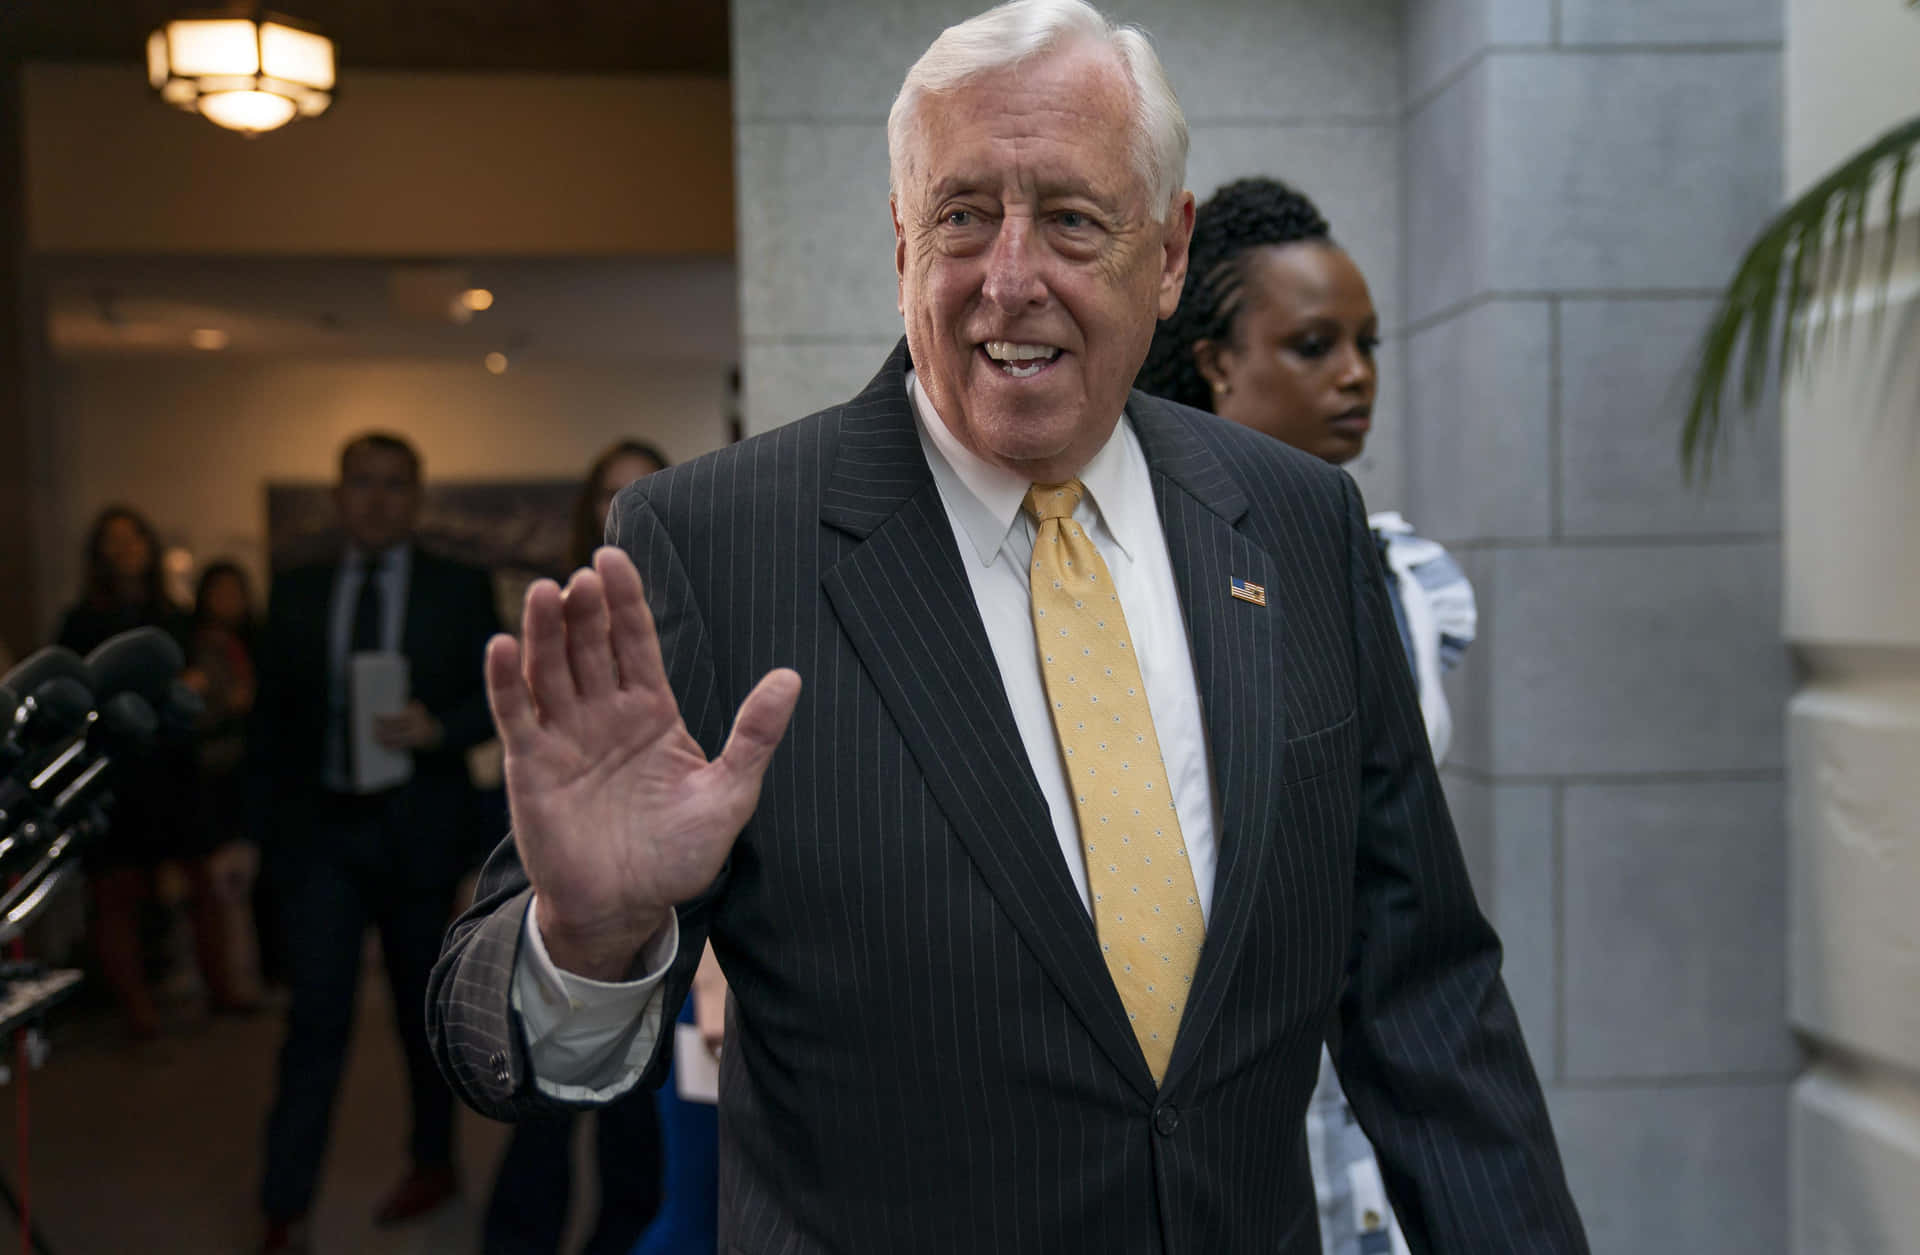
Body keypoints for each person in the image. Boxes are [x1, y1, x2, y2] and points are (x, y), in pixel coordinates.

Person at [431, 3, 1588, 1252]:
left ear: (1169, 252)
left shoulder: (1300, 524)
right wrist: (590, 938)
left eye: (1074, 219)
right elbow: (494, 1035)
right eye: (963, 215)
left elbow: (1425, 1001)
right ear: (901, 241)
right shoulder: (715, 545)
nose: (1011, 277)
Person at [1138, 176, 1477, 1255]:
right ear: (1215, 360)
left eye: (1368, 345)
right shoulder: (1130, 576)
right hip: (1205, 1111)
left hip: (1371, 1084)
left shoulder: (1412, 584)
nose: (1355, 374)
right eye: (1314, 345)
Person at [252, 433, 500, 1253]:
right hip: (320, 838)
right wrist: (249, 838)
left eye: (395, 483)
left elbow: (496, 694)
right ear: (337, 494)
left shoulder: (457, 586)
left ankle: (433, 1164)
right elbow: (268, 723)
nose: (378, 498)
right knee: (314, 1021)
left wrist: (439, 728)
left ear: (417, 496)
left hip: (418, 833)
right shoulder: (296, 590)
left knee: (421, 1018)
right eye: (362, 482)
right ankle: (283, 1206)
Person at [481, 440, 672, 1255]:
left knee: (641, 1114)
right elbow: (525, 761)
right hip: (564, 882)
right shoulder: (554, 615)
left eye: (644, 489)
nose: (625, 507)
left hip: (668, 889)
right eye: (609, 493)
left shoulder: (702, 599)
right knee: (546, 1094)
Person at [57, 505, 243, 1039]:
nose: (125, 550)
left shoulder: (175, 617)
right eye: (113, 541)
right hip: (114, 773)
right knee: (116, 894)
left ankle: (222, 990)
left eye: (133, 538)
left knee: (203, 885)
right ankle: (138, 1013)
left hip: (174, 769)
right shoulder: (81, 621)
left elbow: (201, 684)